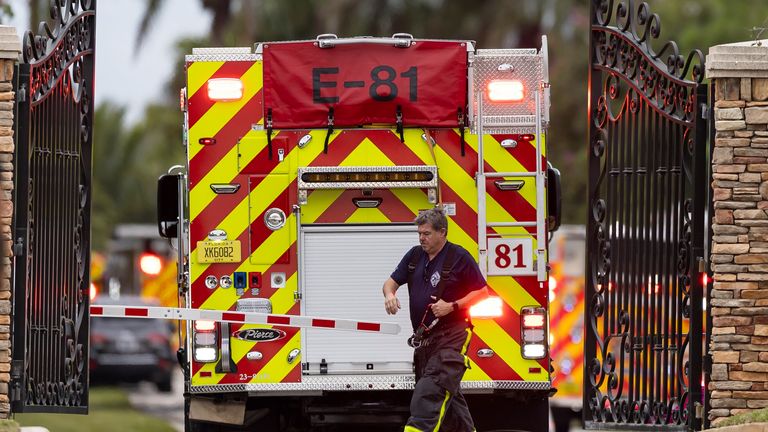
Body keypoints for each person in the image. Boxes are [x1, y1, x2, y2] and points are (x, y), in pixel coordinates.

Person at [383, 207, 489, 432]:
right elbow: (390, 283)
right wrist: (390, 295)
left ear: (443, 232)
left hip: (453, 334)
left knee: (430, 391)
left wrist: (452, 306)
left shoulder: (459, 257)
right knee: (451, 403)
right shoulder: (414, 255)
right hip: (426, 342)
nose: (422, 238)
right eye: (419, 233)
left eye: (427, 233)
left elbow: (482, 292)